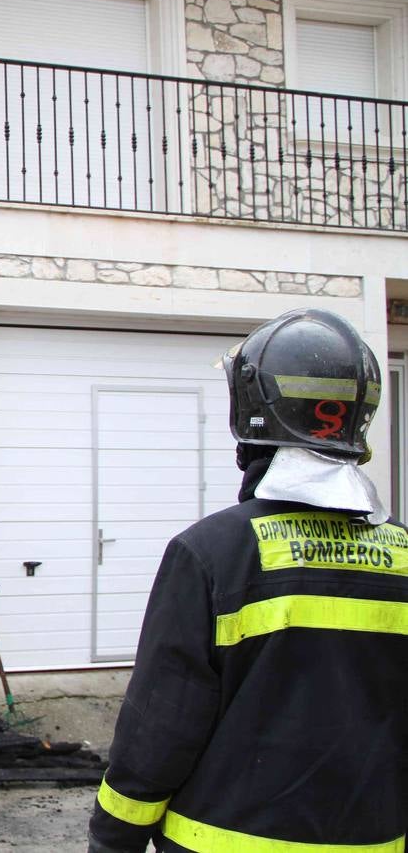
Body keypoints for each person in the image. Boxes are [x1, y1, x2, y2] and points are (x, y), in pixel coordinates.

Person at [87, 308, 408, 853]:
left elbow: (162, 724)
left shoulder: (213, 552)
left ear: (252, 413)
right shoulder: (402, 553)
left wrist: (114, 836)